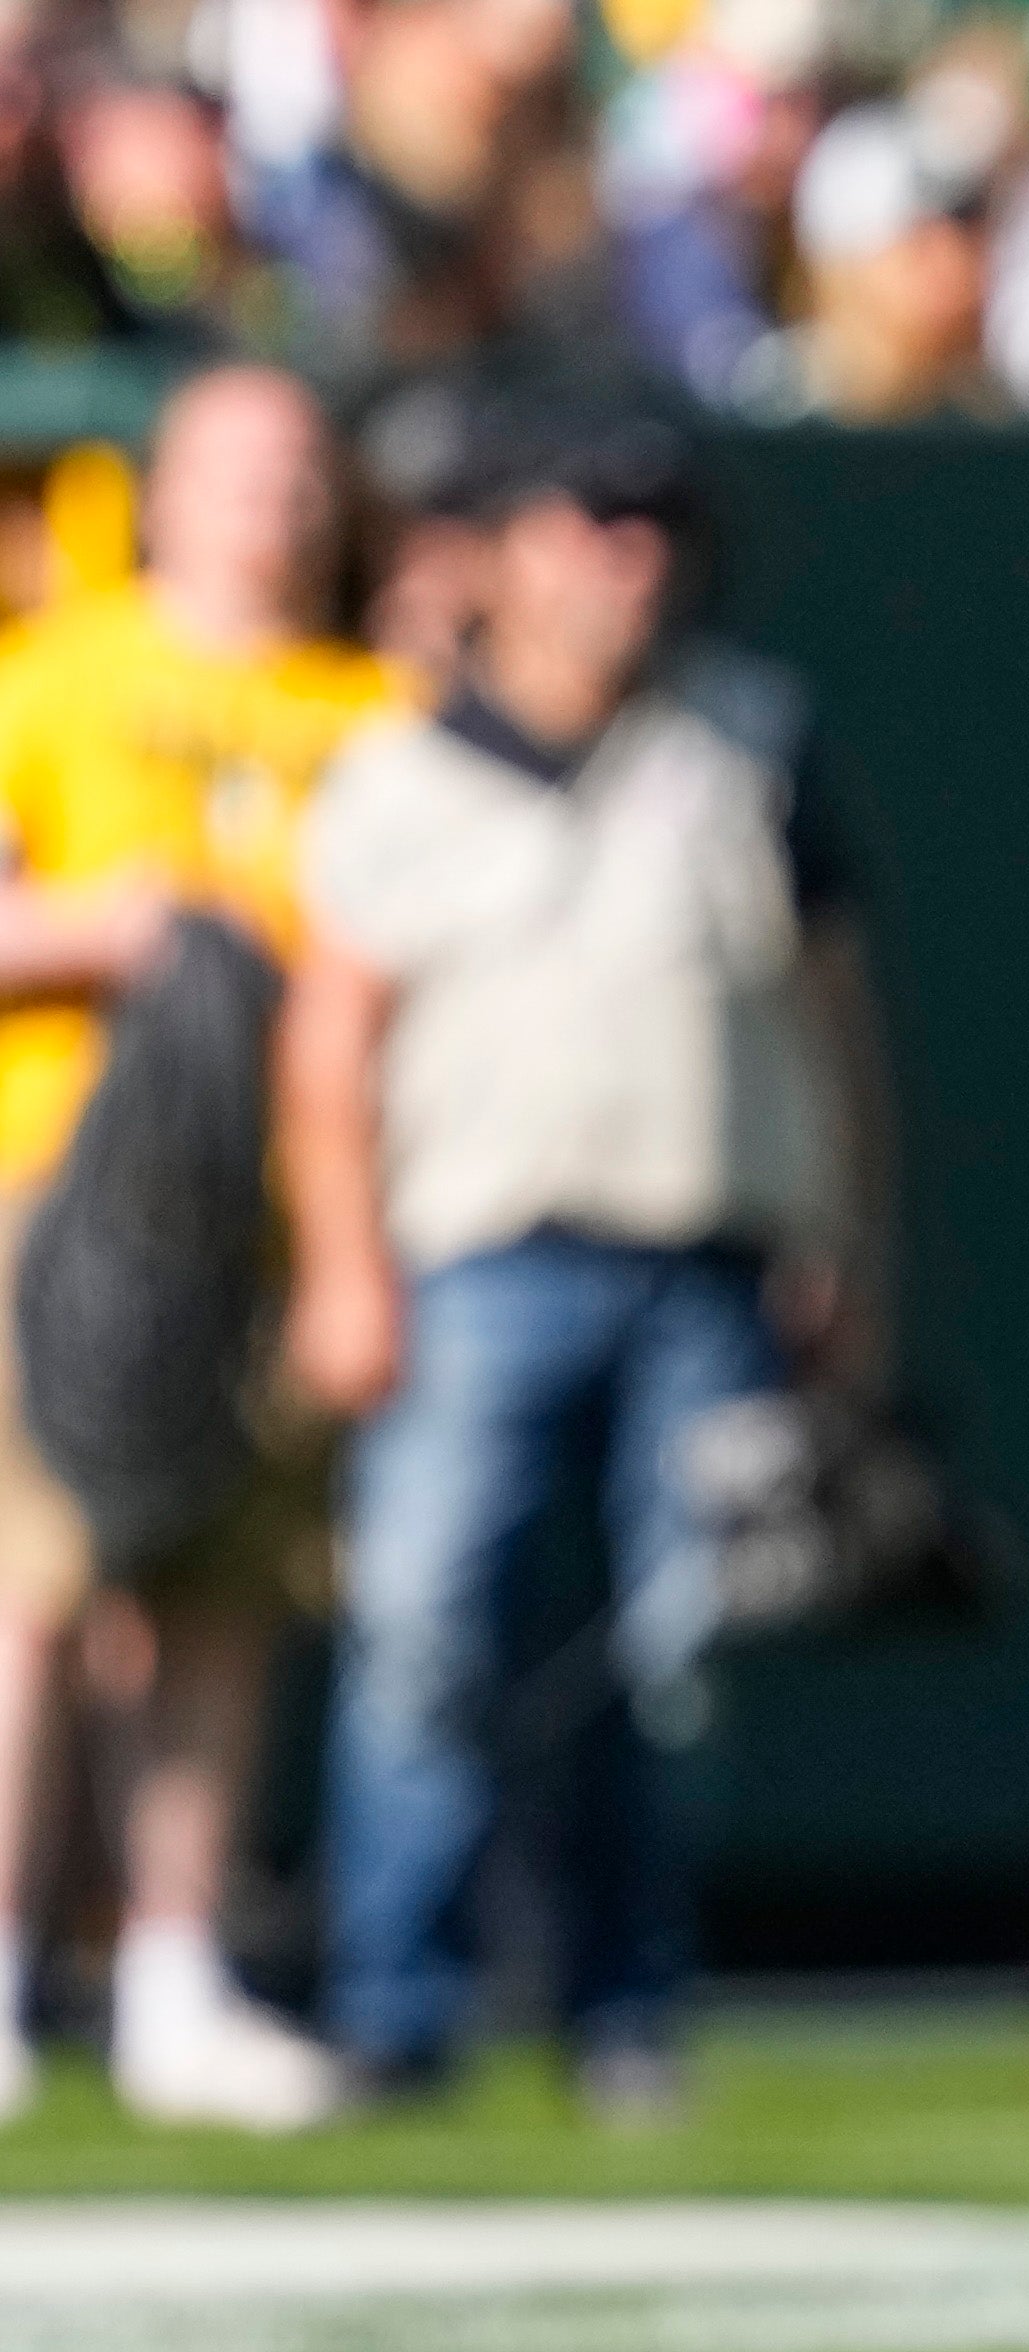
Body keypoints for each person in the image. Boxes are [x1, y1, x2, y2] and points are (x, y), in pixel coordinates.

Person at [277, 411, 885, 2121]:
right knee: (425, 1632)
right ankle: (399, 2003)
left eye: (652, 529)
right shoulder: (400, 772)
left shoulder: (746, 741)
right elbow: (331, 1052)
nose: (627, 562)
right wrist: (343, 1265)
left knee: (671, 1661)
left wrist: (847, 1242)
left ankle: (627, 2010)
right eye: (589, 524)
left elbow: (835, 1026)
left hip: (707, 1258)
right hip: (473, 1258)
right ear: (500, 548)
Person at [0, 364, 399, 2133]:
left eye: (302, 469)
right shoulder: (61, 672)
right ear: (157, 491)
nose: (275, 503)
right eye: (239, 468)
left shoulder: (380, 705)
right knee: (30, 1590)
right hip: (62, 1191)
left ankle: (174, 1971)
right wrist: (113, 927)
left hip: (282, 1207)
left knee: (226, 1594)